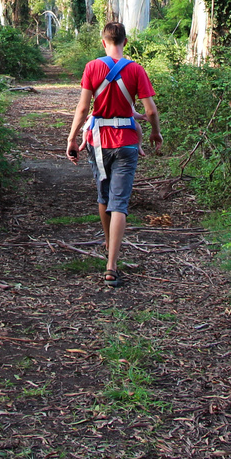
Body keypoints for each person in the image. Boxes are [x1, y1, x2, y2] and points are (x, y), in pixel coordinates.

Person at [64, 21, 161, 287]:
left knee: (104, 195)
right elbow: (150, 110)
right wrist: (155, 133)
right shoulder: (136, 69)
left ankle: (108, 244)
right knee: (120, 201)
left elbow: (83, 109)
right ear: (125, 42)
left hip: (98, 143)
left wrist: (72, 138)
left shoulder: (92, 67)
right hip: (127, 143)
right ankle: (112, 265)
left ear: (102, 41)